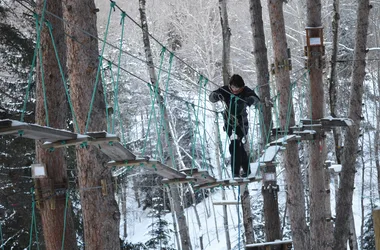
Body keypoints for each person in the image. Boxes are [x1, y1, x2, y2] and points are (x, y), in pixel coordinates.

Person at [209, 74, 260, 178]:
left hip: (241, 123)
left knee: (235, 145)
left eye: (238, 88)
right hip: (229, 123)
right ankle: (246, 170)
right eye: (233, 88)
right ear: (230, 86)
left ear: (242, 87)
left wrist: (250, 100)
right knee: (238, 146)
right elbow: (212, 97)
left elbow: (255, 99)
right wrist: (215, 96)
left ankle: (235, 172)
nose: (235, 90)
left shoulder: (246, 91)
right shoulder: (225, 90)